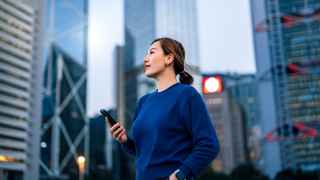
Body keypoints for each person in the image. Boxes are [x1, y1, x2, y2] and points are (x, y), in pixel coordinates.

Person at [109, 37, 219, 180]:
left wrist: (181, 174)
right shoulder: (143, 102)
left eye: (152, 52)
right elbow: (143, 151)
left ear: (169, 59)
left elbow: (209, 145)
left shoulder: (187, 95)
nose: (145, 59)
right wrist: (125, 141)